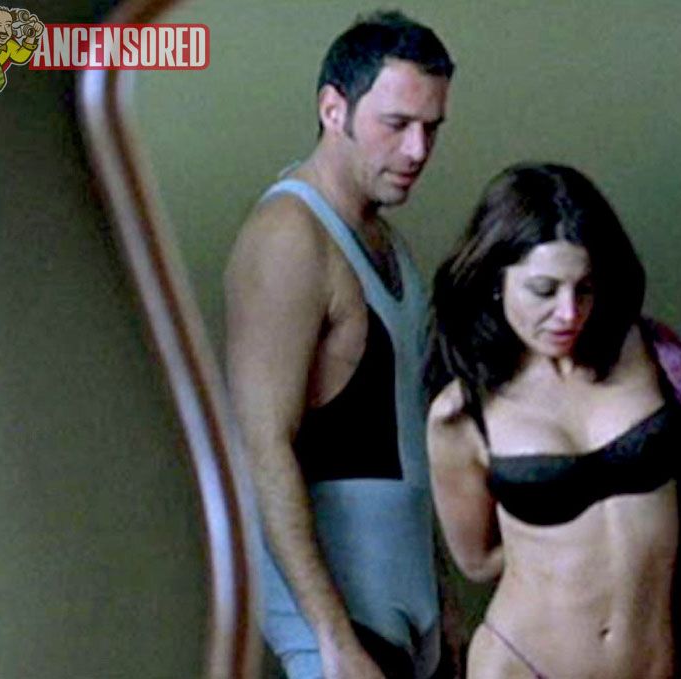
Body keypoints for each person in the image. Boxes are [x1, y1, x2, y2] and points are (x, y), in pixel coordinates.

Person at [426, 163, 681, 679]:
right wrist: (558, 547)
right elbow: (477, 561)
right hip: (524, 667)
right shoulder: (462, 413)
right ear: (497, 282)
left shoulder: (648, 353)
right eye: (544, 290)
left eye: (583, 288)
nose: (568, 313)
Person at [225, 11, 453, 679]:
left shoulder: (390, 244)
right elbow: (260, 445)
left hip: (407, 610)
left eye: (432, 128)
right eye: (397, 124)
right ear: (333, 109)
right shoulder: (288, 236)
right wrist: (331, 637)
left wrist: (442, 598)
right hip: (338, 628)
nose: (417, 150)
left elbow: (408, 442)